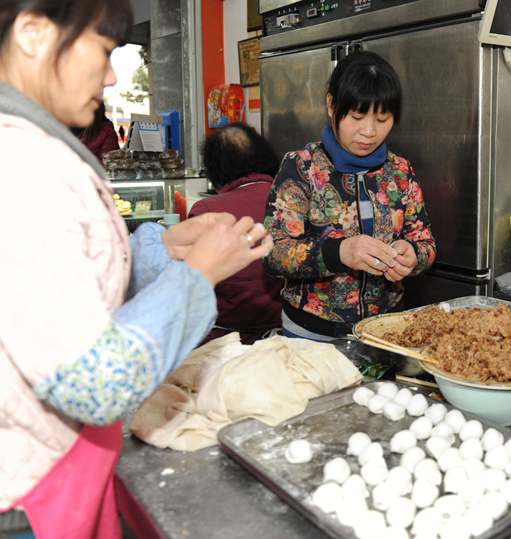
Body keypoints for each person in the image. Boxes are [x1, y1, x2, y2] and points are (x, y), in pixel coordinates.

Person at [0, 2, 272, 537]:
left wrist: (162, 247)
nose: (108, 76)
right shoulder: (21, 167)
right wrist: (196, 276)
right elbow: (95, 382)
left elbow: (69, 278)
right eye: (102, 51)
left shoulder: (35, 148)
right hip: (31, 494)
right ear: (32, 33)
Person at [263, 51, 437, 340]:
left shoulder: (400, 171)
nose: (369, 131)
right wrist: (339, 252)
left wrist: (414, 256)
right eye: (357, 116)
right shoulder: (301, 168)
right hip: (312, 335)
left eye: (382, 119)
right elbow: (273, 252)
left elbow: (425, 241)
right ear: (332, 105)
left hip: (386, 334)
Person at [190, 123, 285, 344]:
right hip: (289, 334)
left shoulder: (206, 212)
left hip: (227, 341)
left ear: (215, 167)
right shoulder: (292, 199)